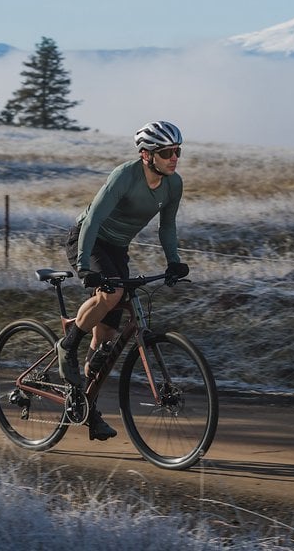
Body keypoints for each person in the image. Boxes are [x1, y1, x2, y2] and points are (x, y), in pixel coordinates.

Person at [59, 120, 190, 441]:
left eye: (178, 151)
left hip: (117, 248)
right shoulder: (124, 176)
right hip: (88, 240)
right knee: (113, 291)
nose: (174, 157)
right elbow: (93, 219)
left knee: (105, 339)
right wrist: (84, 265)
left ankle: (84, 406)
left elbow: (167, 227)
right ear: (147, 156)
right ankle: (67, 345)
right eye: (167, 152)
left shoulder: (173, 184)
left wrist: (174, 262)